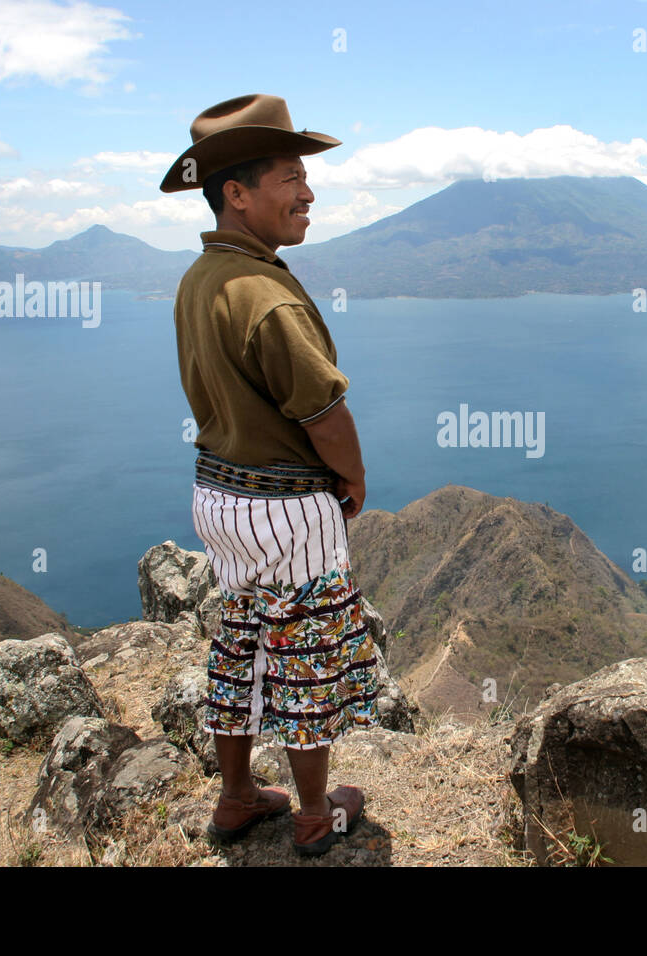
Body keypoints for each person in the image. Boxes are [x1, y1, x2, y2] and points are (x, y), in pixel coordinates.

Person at [160, 94, 378, 856]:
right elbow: (324, 413)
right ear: (237, 193)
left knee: (243, 641)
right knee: (308, 655)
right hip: (288, 508)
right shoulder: (265, 294)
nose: (308, 191)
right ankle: (317, 815)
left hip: (221, 499)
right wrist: (351, 482)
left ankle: (237, 796)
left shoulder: (201, 276)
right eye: (291, 176)